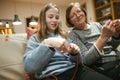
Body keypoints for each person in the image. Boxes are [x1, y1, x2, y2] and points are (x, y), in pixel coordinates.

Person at [23, 3, 112, 80]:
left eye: (57, 17)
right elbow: (29, 67)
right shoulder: (35, 38)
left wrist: (75, 53)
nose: (54, 20)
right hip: (53, 75)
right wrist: (48, 43)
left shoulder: (65, 35)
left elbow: (79, 62)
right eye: (50, 17)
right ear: (43, 19)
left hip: (76, 71)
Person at [66, 2, 120, 80]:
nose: (77, 15)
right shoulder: (73, 35)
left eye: (79, 11)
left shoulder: (96, 25)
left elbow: (112, 45)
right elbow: (86, 60)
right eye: (73, 15)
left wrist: (116, 35)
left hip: (117, 58)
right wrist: (103, 37)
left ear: (83, 12)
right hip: (103, 66)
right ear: (70, 21)